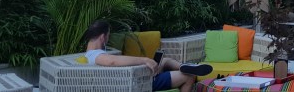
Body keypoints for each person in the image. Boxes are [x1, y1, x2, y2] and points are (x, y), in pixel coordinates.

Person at [83, 20, 212, 92]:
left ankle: (183, 66)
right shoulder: (97, 56)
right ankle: (186, 69)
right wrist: (144, 60)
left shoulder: (90, 53)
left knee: (165, 60)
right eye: (109, 35)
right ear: (103, 37)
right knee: (189, 77)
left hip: (137, 77)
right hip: (140, 83)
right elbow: (111, 62)